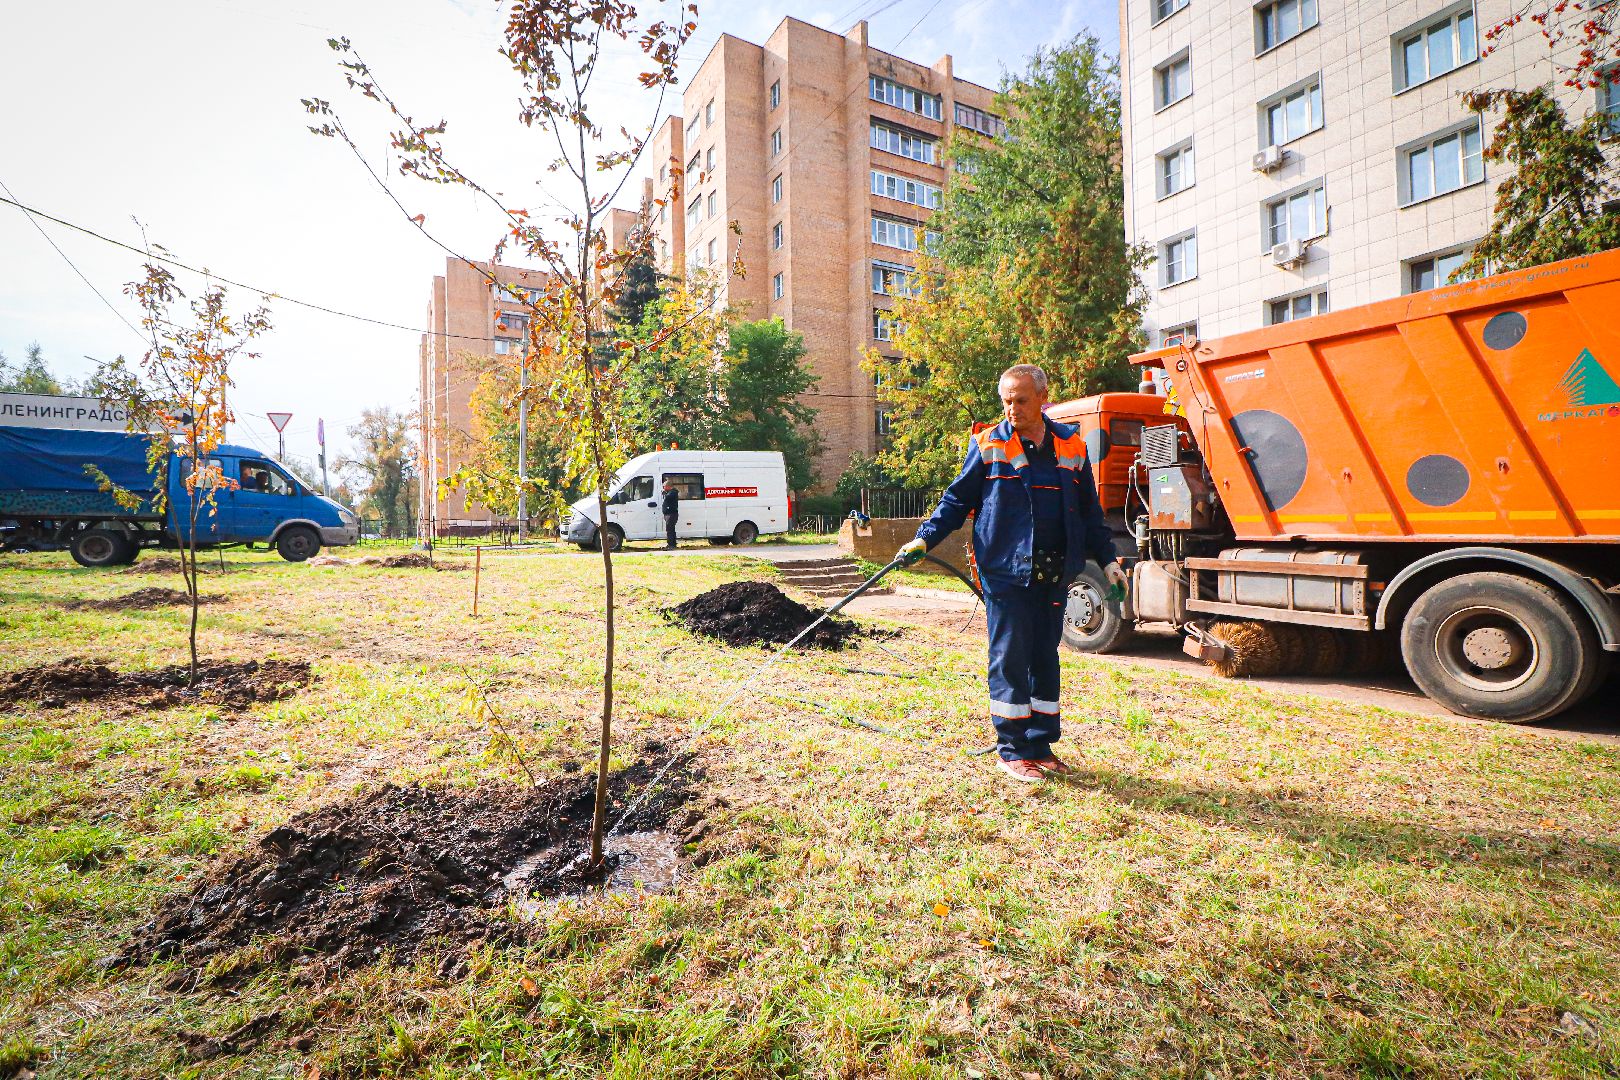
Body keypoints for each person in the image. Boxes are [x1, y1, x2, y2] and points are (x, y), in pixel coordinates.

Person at [897, 364, 1128, 783]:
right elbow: (956, 499)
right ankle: (1011, 750)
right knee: (1009, 656)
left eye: (1021, 400)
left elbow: (1091, 511)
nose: (1012, 409)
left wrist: (1109, 559)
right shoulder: (989, 444)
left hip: (1056, 571)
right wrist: (924, 539)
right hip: (1005, 571)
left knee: (1045, 656)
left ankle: (1040, 745)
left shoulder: (1071, 446)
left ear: (1043, 397)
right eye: (1006, 400)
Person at [660, 477, 680, 549]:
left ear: (668, 486)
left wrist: (665, 493)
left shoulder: (673, 492)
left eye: (664, 487)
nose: (663, 488)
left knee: (670, 530)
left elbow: (668, 497)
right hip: (669, 514)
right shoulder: (670, 492)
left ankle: (671, 545)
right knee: (670, 530)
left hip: (671, 514)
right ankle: (672, 544)